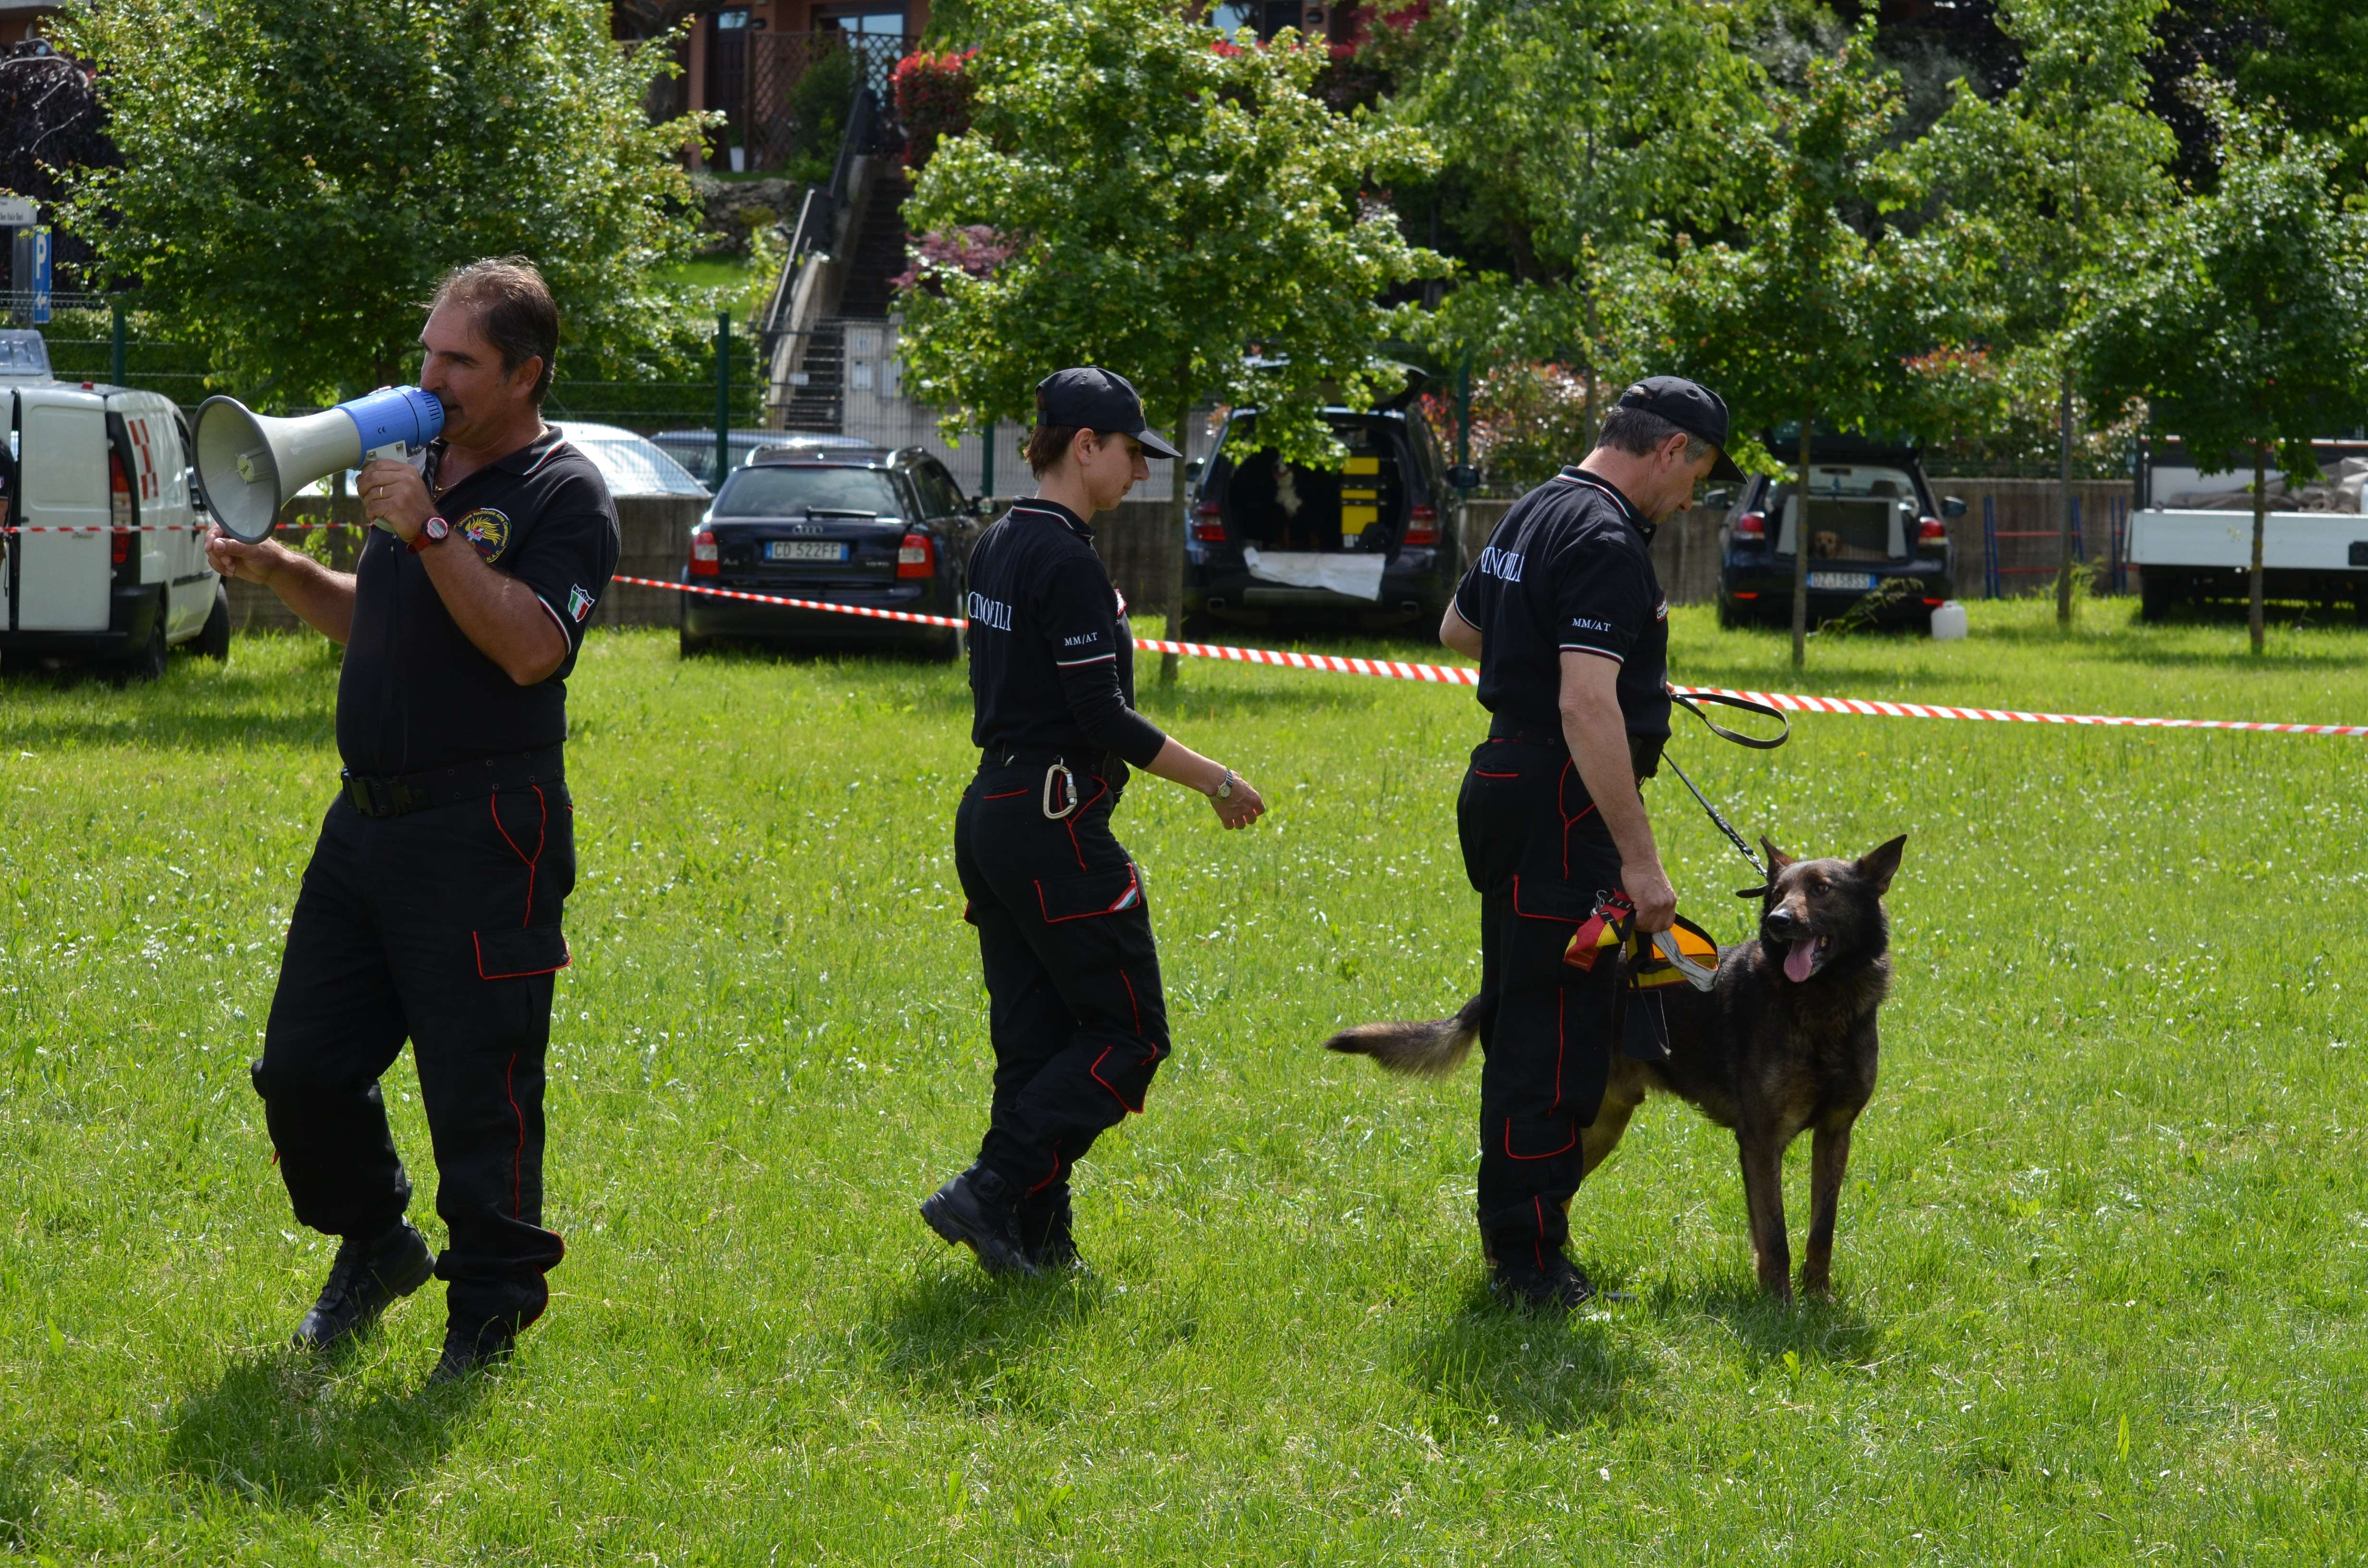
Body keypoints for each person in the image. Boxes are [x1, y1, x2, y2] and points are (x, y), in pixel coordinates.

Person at [206, 258, 619, 1382]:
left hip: (486, 828)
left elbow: (530, 648)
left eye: (459, 362)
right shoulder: (423, 470)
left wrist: (432, 532)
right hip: (366, 828)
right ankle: (378, 1243)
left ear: (525, 374)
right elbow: (384, 618)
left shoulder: (564, 492)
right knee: (303, 1071)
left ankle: (487, 1317)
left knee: (479, 1089)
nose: (429, 378)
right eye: (427, 352)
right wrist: (283, 570)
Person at [923, 367, 1267, 1275]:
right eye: (1130, 452)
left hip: (992, 812)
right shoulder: (1068, 560)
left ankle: (1038, 1242)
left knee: (1034, 1043)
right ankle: (991, 1190)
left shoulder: (996, 543)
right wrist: (1216, 780)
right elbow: (1102, 715)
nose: (1142, 472)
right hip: (1053, 820)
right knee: (1130, 1035)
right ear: (1084, 447)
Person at [1438, 376, 1742, 1310]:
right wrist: (1642, 863)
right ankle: (1528, 1265)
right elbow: (1583, 703)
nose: (1689, 501)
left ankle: (1519, 1242)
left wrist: (1616, 683)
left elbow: (1460, 629)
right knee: (1554, 1035)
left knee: (1528, 1014)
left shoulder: (1535, 508)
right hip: (1561, 807)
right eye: (1696, 479)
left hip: (1503, 783)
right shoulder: (1609, 539)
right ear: (1670, 450)